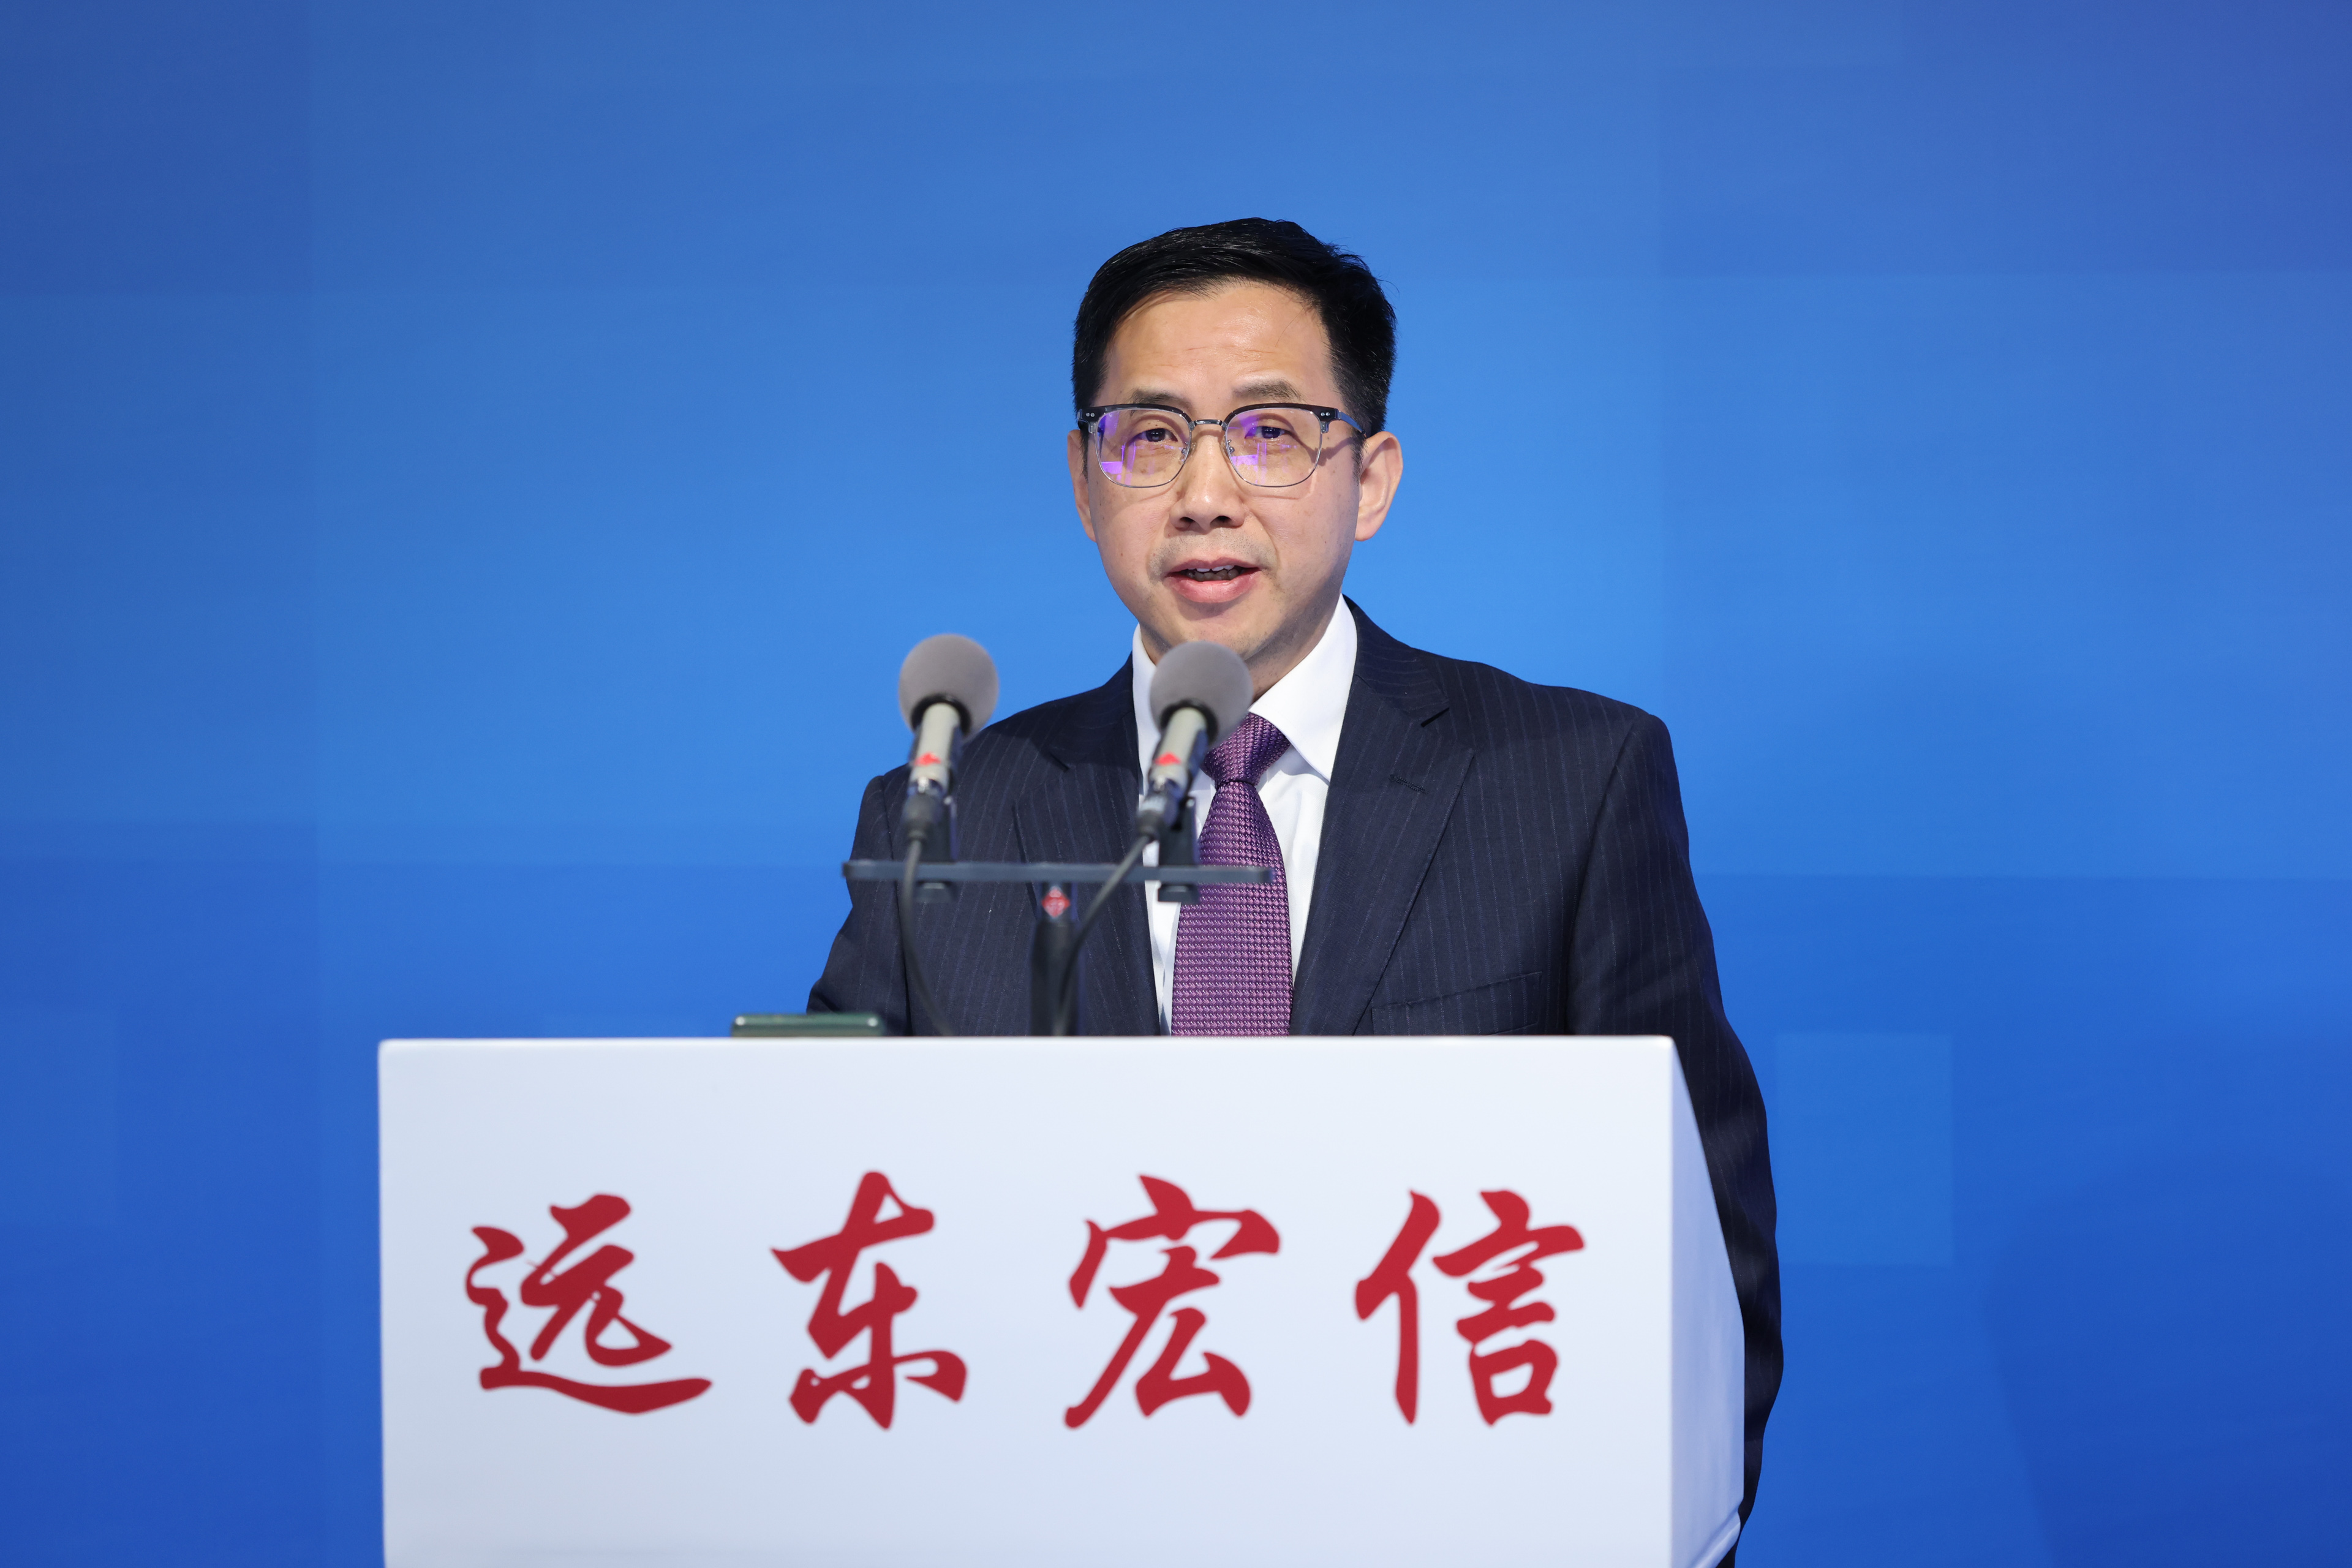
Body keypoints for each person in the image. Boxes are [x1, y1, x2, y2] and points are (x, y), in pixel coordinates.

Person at [809, 218, 1779, 1529]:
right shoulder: (948, 815)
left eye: (1270, 433)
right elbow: (831, 1229)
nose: (1206, 493)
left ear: (1370, 479)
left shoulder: (1568, 783)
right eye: (1151, 436)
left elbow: (1700, 1254)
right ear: (1085, 482)